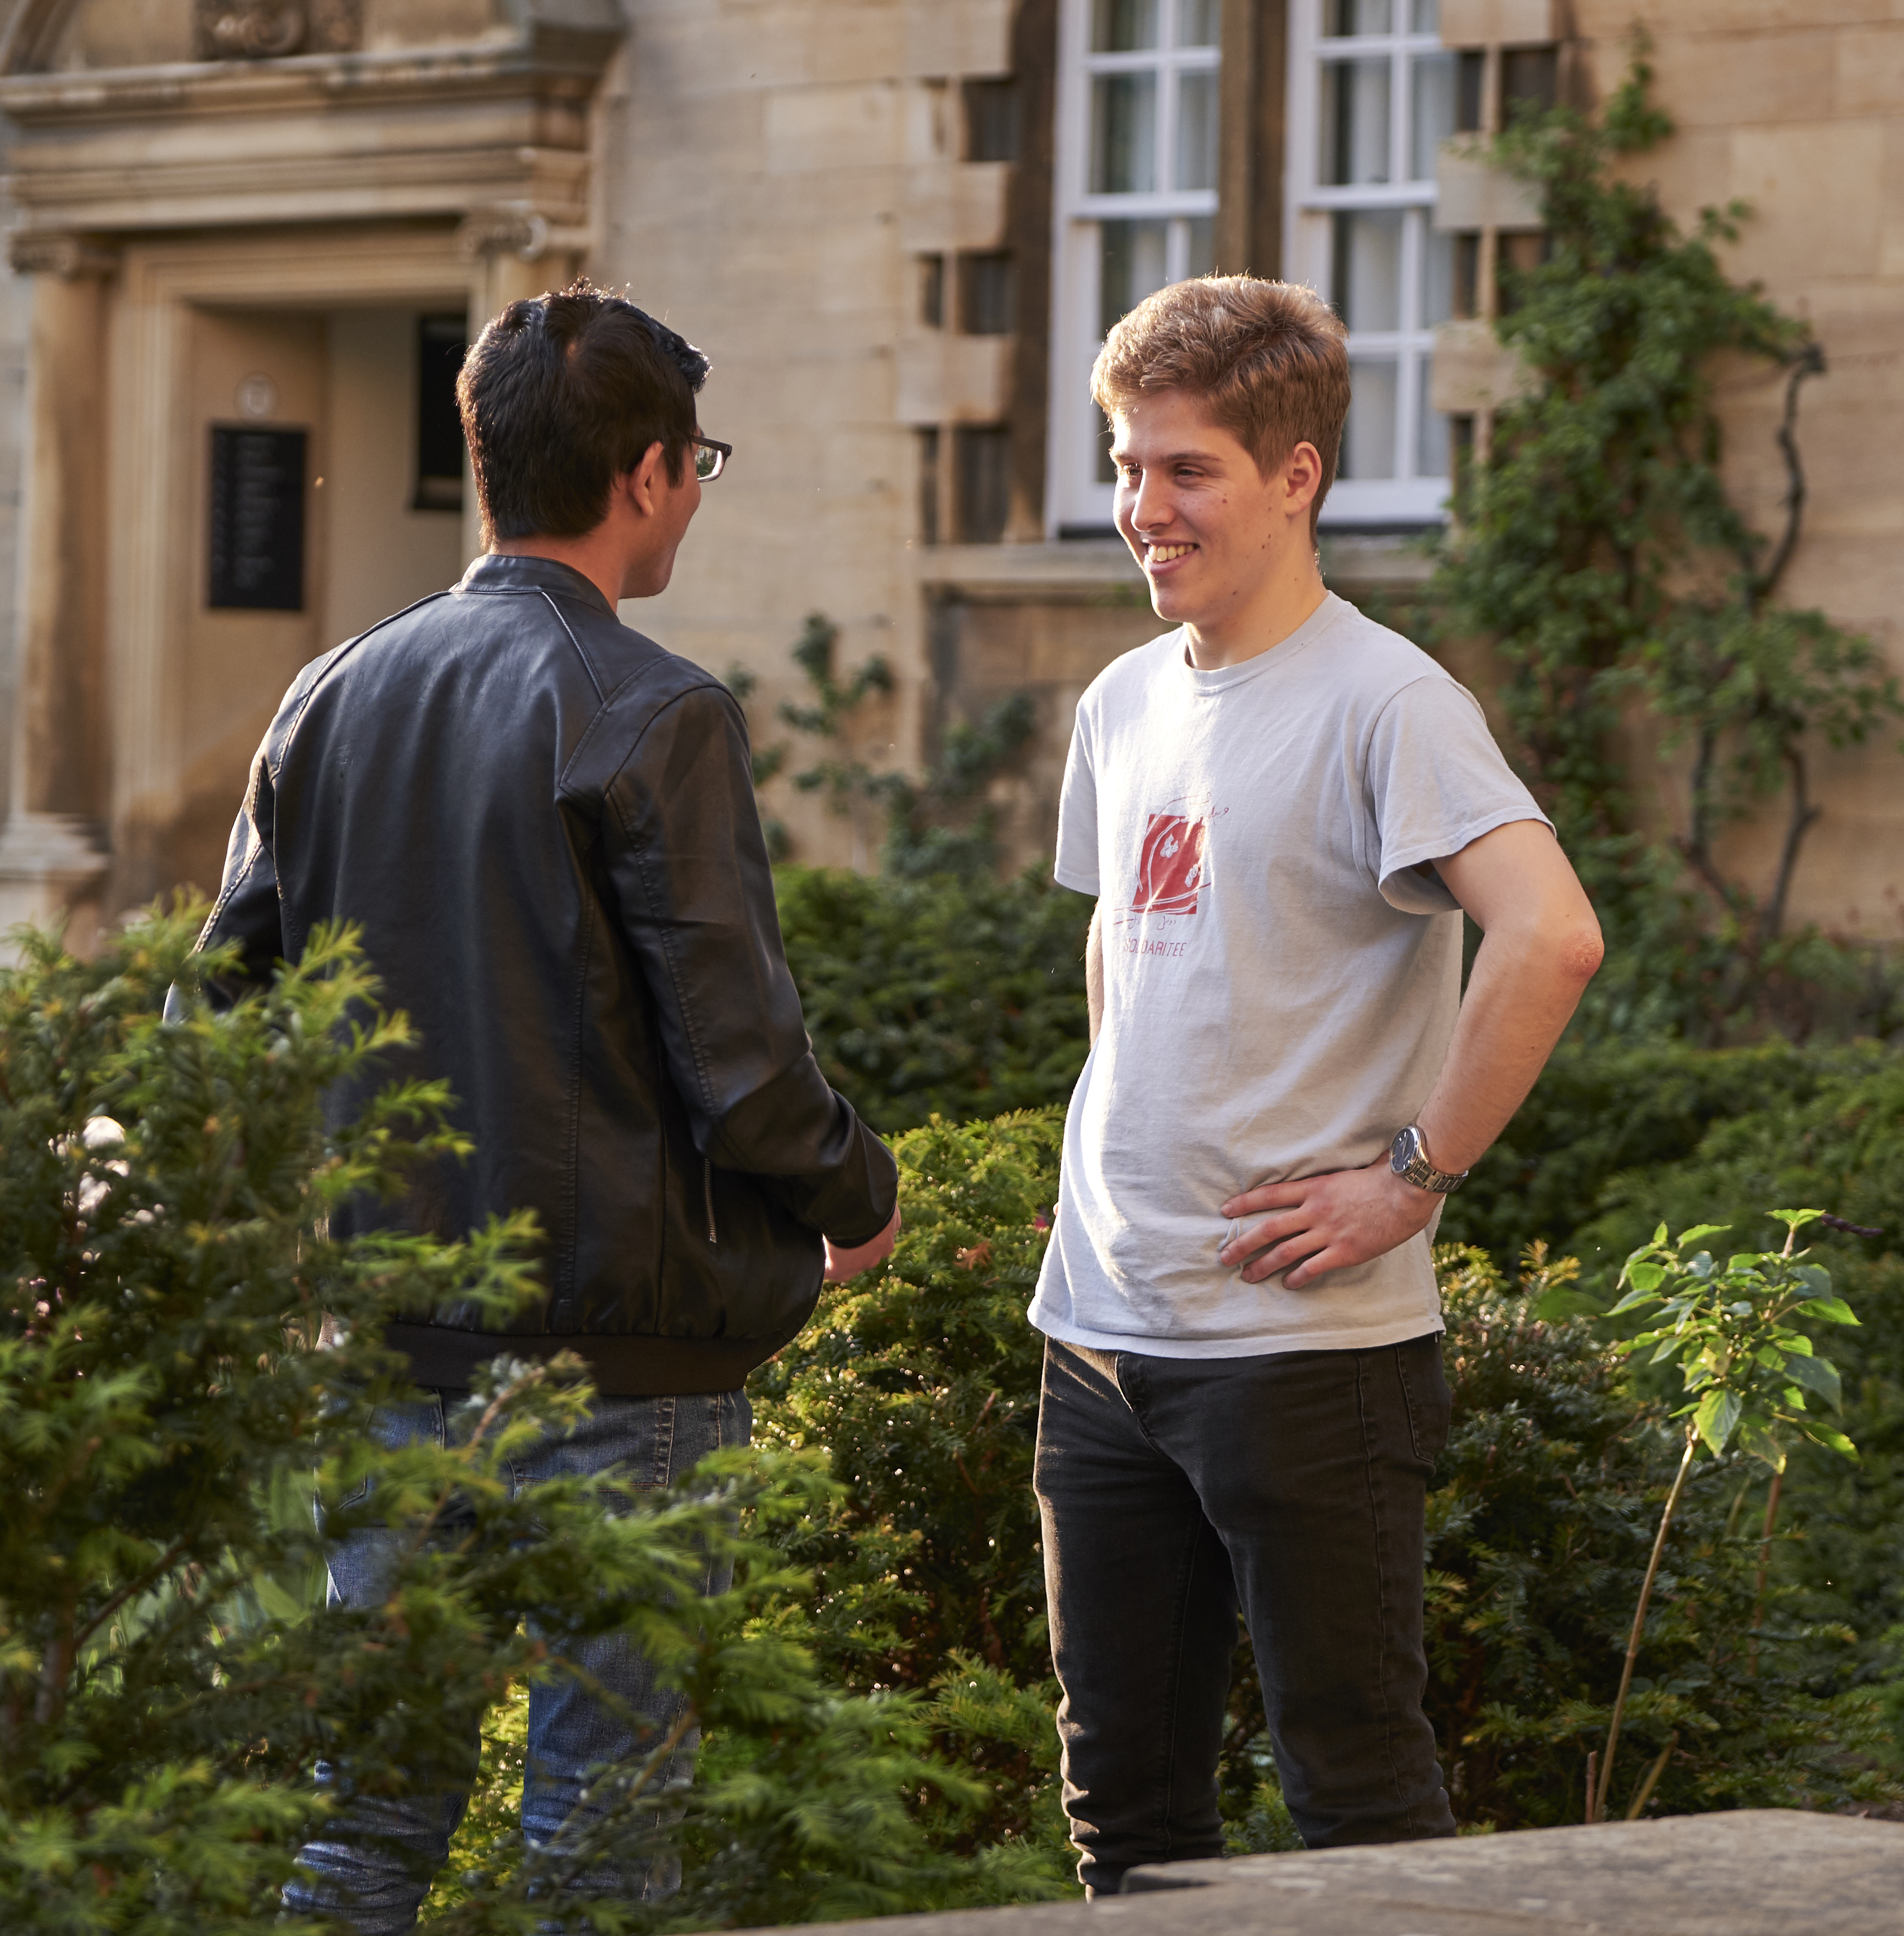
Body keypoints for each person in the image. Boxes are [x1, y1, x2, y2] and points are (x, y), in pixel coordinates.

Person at [201, 282, 903, 1932]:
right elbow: (741, 1065)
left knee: (362, 1823)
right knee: (604, 1837)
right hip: (624, 1374)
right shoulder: (656, 708)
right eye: (700, 462)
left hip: (387, 1359)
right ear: (651, 472)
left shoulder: (331, 691)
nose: (697, 493)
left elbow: (218, 1026)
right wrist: (862, 1205)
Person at [1031, 274, 1606, 1889]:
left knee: (1358, 1812)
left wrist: (1412, 1178)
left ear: (1297, 478)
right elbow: (1125, 967)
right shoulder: (1126, 699)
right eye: (1129, 465)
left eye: (1187, 469)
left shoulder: (1388, 701)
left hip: (1303, 1356)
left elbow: (1552, 937)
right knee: (1126, 1820)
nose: (1145, 508)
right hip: (1101, 1337)